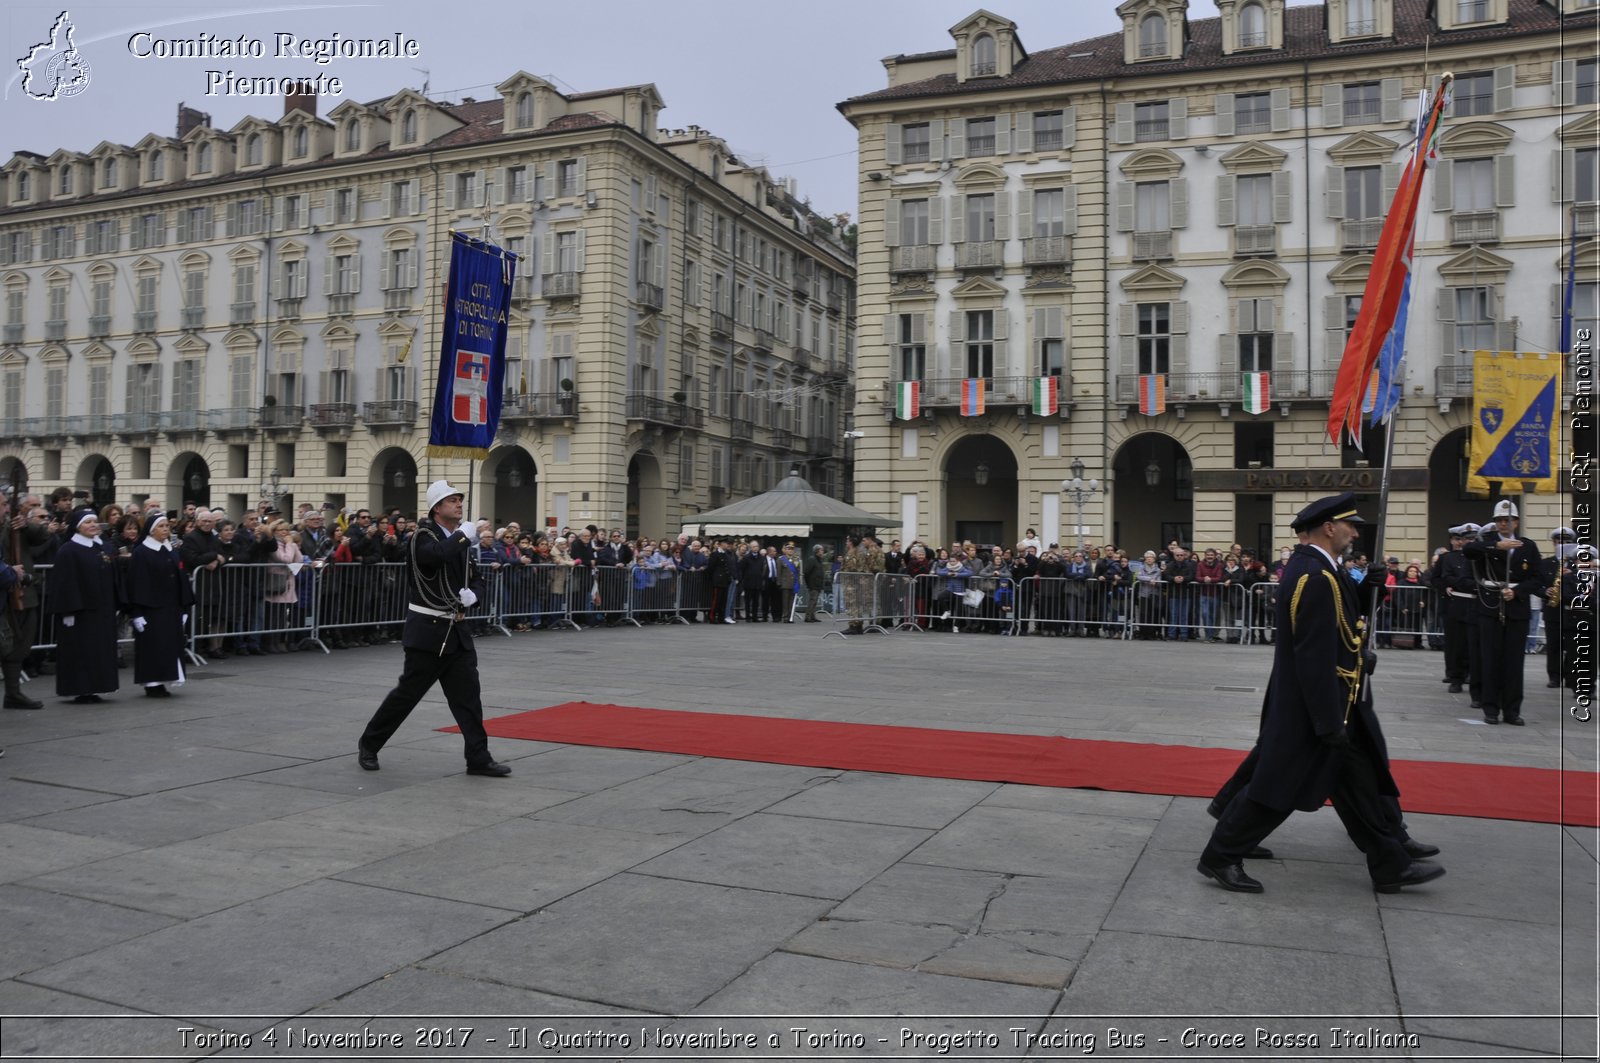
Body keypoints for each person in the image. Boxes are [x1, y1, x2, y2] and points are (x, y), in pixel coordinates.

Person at [1198, 493, 1444, 895]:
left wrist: (1369, 592)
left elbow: (1343, 618)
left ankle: (1390, 860)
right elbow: (1312, 653)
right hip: (1317, 703)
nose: (1355, 532)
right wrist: (1328, 720)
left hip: (1337, 699)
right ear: (1330, 528)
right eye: (1350, 525)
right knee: (1276, 789)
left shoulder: (1325, 569)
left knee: (1359, 783)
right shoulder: (1315, 575)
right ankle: (1221, 855)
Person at [356, 481, 512, 777]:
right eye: (452, 500)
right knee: (406, 696)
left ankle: (478, 757)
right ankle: (369, 743)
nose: (458, 504)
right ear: (437, 508)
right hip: (428, 632)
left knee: (468, 700)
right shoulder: (421, 536)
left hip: (456, 631)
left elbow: (475, 578)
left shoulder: (459, 540)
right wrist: (464, 538)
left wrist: (474, 595)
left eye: (459, 500)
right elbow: (435, 556)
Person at [1463, 500, 1545, 726]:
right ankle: (1491, 708)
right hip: (1490, 606)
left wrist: (1518, 591)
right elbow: (1469, 551)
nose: (1503, 524)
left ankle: (1512, 710)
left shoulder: (1527, 546)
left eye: (1507, 520)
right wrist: (1496, 547)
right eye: (1499, 520)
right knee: (1490, 660)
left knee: (1514, 662)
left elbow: (1538, 578)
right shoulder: (1486, 543)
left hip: (1516, 608)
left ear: (1516, 522)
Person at [46, 510, 122, 704]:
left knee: (99, 650)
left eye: (95, 522)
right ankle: (81, 689)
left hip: (102, 610)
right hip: (80, 612)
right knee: (82, 651)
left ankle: (97, 686)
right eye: (88, 522)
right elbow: (64, 583)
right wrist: (68, 611)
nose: (93, 525)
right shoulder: (68, 550)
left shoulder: (102, 547)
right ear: (77, 526)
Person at [124, 514, 194, 697]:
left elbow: (181, 577)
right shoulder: (142, 552)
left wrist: (184, 606)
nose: (166, 529)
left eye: (166, 526)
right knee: (153, 647)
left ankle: (164, 680)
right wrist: (136, 612)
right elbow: (136, 583)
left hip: (171, 607)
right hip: (151, 609)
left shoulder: (170, 548)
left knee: (169, 646)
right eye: (161, 526)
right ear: (151, 530)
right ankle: (152, 683)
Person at [1, 488, 48, 710]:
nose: (6, 509)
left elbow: (42, 537)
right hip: (5, 594)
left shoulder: (18, 525)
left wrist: (26, 525)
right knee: (5, 644)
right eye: (2, 505)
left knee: (21, 643)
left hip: (23, 593)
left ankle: (13, 693)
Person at [1431, 524, 1479, 695]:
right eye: (1461, 539)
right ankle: (1455, 676)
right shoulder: (1449, 558)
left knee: (1473, 645)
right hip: (1456, 604)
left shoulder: (1480, 557)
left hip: (1476, 604)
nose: (1463, 542)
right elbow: (1440, 578)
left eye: (1471, 539)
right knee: (1456, 644)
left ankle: (1472, 675)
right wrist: (1446, 588)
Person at [802, 544, 827, 623]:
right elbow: (806, 572)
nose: (822, 552)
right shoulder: (812, 559)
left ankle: (812, 616)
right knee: (812, 600)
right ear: (817, 551)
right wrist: (808, 584)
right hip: (813, 584)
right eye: (821, 550)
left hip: (818, 584)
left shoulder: (819, 560)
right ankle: (808, 617)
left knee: (815, 601)